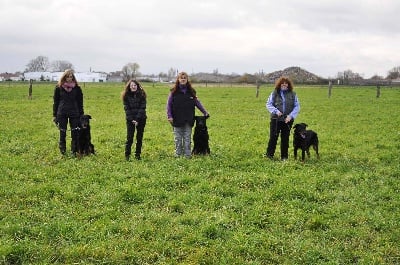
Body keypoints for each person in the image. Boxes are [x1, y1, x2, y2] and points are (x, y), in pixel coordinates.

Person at [166, 72, 209, 158]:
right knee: (178, 138)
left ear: (187, 79)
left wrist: (205, 112)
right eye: (181, 78)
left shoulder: (192, 91)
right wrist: (169, 116)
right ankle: (178, 154)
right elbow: (169, 105)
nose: (183, 79)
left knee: (187, 138)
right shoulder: (173, 92)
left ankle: (187, 155)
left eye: (184, 78)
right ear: (178, 80)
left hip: (188, 119)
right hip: (177, 118)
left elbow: (197, 103)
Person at [265, 76, 300, 161]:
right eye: (282, 83)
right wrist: (276, 111)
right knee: (273, 137)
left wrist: (290, 116)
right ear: (279, 84)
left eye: (286, 83)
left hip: (287, 120)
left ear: (288, 85)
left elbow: (297, 106)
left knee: (285, 138)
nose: (284, 85)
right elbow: (268, 104)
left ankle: (284, 157)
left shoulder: (293, 94)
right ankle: (269, 155)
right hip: (275, 120)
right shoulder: (274, 93)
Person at [53, 69, 84, 156]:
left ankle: (74, 151)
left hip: (74, 113)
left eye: (71, 77)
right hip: (62, 113)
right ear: (64, 77)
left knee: (75, 133)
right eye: (67, 76)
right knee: (62, 133)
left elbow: (80, 102)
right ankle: (62, 151)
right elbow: (56, 102)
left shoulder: (77, 88)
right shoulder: (58, 88)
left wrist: (81, 114)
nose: (69, 78)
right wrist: (54, 115)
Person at [121, 79, 147, 161]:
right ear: (129, 86)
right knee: (129, 138)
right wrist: (132, 119)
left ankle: (137, 155)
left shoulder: (142, 95)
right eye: (132, 85)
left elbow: (142, 108)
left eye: (135, 85)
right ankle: (127, 155)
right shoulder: (126, 96)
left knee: (139, 138)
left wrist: (137, 119)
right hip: (130, 120)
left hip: (141, 119)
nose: (133, 86)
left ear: (137, 86)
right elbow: (127, 109)